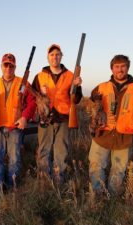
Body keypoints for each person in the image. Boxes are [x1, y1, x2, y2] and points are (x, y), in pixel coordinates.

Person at [88, 54, 133, 196]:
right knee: (95, 165)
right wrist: (97, 115)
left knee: (118, 170)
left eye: (123, 66)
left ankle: (113, 198)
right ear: (112, 69)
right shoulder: (101, 87)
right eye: (116, 67)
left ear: (128, 68)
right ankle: (99, 196)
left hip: (125, 138)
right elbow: (90, 103)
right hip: (102, 135)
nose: (120, 69)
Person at [0, 53, 36, 193]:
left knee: (14, 159)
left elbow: (32, 102)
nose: (8, 68)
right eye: (5, 65)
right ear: (1, 66)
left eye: (11, 65)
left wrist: (24, 117)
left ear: (15, 67)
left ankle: (13, 190)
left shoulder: (23, 83)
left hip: (15, 127)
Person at [32, 44, 83, 183]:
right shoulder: (39, 76)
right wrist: (40, 94)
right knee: (43, 150)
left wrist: (77, 86)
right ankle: (44, 180)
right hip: (45, 118)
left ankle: (59, 180)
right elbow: (32, 97)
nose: (55, 57)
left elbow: (77, 99)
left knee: (61, 151)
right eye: (52, 54)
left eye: (57, 54)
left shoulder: (71, 76)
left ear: (61, 56)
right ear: (48, 57)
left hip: (63, 118)